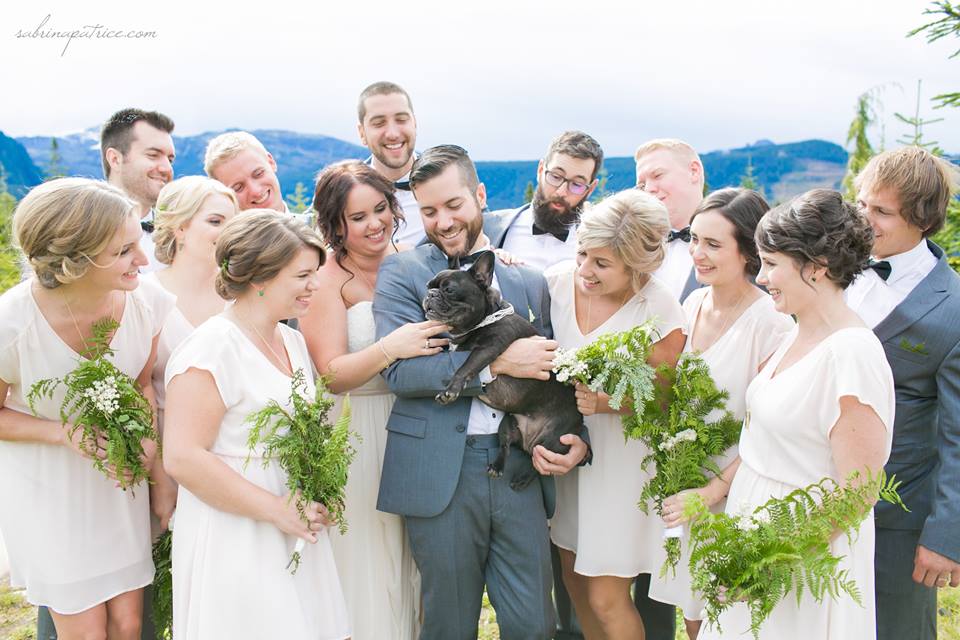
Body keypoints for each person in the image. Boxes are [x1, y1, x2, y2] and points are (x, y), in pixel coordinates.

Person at [372, 144, 590, 639]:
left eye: (453, 205)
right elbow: (400, 374)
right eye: (428, 211)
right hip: (440, 474)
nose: (443, 221)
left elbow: (559, 373)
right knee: (448, 625)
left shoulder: (530, 281)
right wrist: (495, 366)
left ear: (480, 196)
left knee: (534, 624)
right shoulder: (403, 273)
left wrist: (578, 440)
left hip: (519, 468)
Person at [685, 189, 895, 640]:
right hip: (752, 529)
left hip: (800, 556)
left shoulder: (852, 354)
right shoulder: (798, 332)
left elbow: (856, 493)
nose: (761, 278)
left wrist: (766, 565)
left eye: (772, 264)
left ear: (816, 266)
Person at [162, 210, 349, 639]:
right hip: (237, 529)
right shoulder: (210, 348)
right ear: (260, 277)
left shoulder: (291, 339)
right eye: (302, 275)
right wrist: (277, 511)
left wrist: (313, 493)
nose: (314, 285)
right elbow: (183, 457)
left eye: (315, 273)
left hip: (293, 521)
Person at [0, 178, 173, 639]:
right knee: (86, 631)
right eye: (123, 251)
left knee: (129, 625)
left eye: (140, 240)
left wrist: (151, 461)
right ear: (73, 262)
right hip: (49, 494)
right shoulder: (12, 323)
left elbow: (142, 387)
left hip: (119, 490)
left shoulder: (147, 302)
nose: (143, 259)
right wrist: (63, 433)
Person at [300, 160, 451, 639]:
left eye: (381, 209)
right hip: (360, 430)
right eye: (357, 217)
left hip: (423, 424)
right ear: (335, 224)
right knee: (371, 557)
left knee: (423, 561)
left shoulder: (417, 260)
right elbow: (329, 375)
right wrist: (389, 349)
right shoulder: (323, 281)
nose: (374, 224)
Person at [649, 188, 793, 639]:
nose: (697, 253)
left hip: (737, 492)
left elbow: (768, 431)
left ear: (749, 250)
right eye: (694, 239)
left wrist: (712, 491)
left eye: (713, 244)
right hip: (687, 486)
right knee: (693, 618)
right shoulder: (691, 304)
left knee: (728, 622)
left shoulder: (772, 323)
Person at [546, 188, 686, 640]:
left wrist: (607, 402)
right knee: (574, 583)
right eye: (583, 253)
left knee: (608, 598)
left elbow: (667, 398)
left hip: (623, 463)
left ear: (636, 266)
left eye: (602, 264)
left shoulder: (658, 306)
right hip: (567, 460)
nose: (585, 270)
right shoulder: (554, 283)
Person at [845, 147, 960, 640]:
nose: (864, 220)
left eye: (882, 212)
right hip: (809, 494)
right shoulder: (834, 268)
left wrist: (946, 535)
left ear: (922, 219)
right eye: (863, 204)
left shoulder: (952, 309)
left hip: (896, 516)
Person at [143, 176, 239, 533]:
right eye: (215, 221)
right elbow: (141, 390)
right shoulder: (144, 296)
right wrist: (160, 478)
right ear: (180, 227)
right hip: (170, 451)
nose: (227, 231)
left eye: (232, 222)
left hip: (237, 450)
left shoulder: (240, 294)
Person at [488, 131, 603, 272]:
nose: (561, 192)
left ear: (590, 189)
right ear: (540, 170)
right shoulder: (491, 227)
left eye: (577, 184)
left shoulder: (598, 245)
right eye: (555, 176)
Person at [100, 108, 177, 273]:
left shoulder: (179, 235)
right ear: (115, 159)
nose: (167, 168)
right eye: (153, 155)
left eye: (170, 159)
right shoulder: (83, 231)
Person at [635, 138, 706, 303]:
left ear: (694, 171)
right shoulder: (636, 247)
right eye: (641, 184)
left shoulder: (733, 242)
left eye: (658, 175)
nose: (649, 189)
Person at [356, 81, 424, 245]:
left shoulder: (447, 180)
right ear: (362, 133)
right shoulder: (343, 189)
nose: (392, 134)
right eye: (379, 123)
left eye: (401, 120)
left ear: (414, 124)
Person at [203, 131, 309, 223]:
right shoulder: (224, 246)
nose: (256, 191)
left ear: (271, 162)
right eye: (238, 187)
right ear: (225, 195)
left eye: (258, 174)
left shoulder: (317, 234)